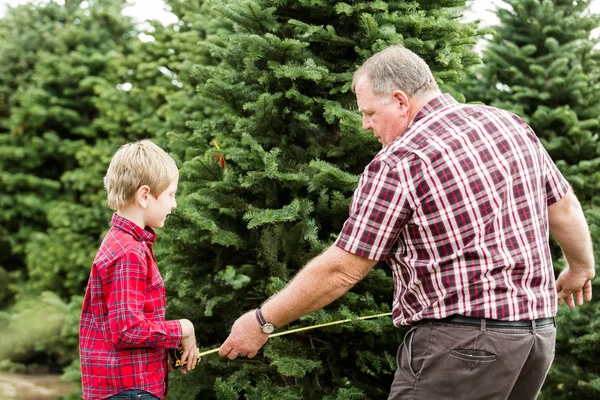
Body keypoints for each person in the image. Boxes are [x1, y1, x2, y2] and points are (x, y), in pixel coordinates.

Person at [218, 45, 595, 399]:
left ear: (400, 101)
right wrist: (580, 268)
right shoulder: (508, 125)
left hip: (462, 351)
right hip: (536, 339)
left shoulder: (400, 161)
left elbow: (343, 269)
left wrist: (262, 321)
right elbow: (563, 207)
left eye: (368, 113)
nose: (365, 125)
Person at [80, 140, 199, 400]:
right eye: (170, 194)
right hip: (130, 392)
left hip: (127, 387)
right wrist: (183, 328)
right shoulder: (129, 251)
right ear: (144, 195)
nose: (174, 204)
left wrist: (164, 347)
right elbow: (126, 330)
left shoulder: (124, 242)